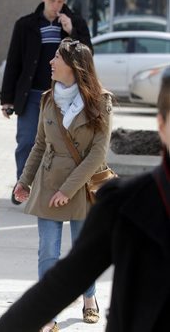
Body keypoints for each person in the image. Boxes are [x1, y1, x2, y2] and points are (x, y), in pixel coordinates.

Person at [0, 68, 170, 332]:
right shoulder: (125, 205)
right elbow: (59, 286)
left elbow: (98, 150)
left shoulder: (101, 102)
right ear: (161, 124)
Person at [11, 38, 113, 332]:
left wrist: (67, 190)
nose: (51, 62)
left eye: (57, 58)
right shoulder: (47, 99)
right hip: (48, 181)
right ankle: (48, 314)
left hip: (81, 186)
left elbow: (97, 153)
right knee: (48, 251)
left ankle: (89, 296)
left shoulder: (101, 101)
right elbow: (40, 144)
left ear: (74, 66)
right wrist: (25, 181)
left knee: (83, 252)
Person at [0, 0, 92, 205]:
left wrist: (72, 33)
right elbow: (14, 61)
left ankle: (58, 189)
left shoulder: (75, 22)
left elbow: (88, 55)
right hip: (32, 94)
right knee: (26, 142)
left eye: (61, 1)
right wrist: (7, 99)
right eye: (52, 0)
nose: (56, 5)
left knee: (63, 144)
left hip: (66, 94)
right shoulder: (26, 24)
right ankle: (23, 186)